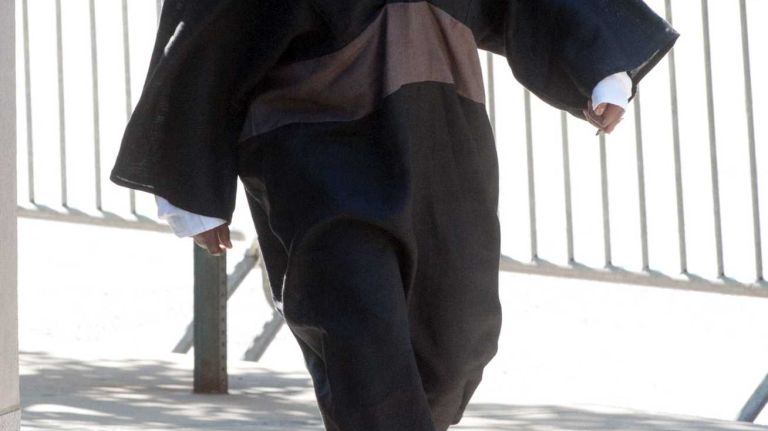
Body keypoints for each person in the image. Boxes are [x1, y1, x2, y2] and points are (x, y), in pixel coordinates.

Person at [111, 0, 679, 429]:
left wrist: (595, 61)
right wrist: (191, 182)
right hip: (308, 135)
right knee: (362, 342)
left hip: (437, 119)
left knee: (456, 345)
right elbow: (208, 21)